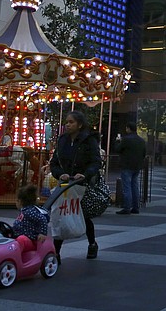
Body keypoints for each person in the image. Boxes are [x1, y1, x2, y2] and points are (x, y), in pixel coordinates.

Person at [49, 110, 102, 262]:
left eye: (71, 122)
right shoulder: (62, 140)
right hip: (65, 183)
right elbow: (54, 162)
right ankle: (56, 252)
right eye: (66, 122)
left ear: (79, 124)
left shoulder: (88, 140)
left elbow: (96, 161)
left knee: (83, 215)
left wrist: (86, 174)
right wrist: (60, 174)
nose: (67, 125)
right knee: (60, 215)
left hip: (82, 183)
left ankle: (92, 243)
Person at [115, 122, 147, 215]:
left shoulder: (126, 139)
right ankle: (135, 207)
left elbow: (117, 149)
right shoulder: (141, 140)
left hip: (126, 165)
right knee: (134, 186)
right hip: (137, 166)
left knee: (127, 187)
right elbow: (144, 153)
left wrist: (117, 141)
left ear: (128, 128)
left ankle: (127, 207)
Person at [12, 184, 48, 260]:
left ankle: (14, 257)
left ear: (20, 202)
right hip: (19, 235)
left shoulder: (29, 212)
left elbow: (43, 219)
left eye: (17, 201)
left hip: (30, 239)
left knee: (21, 240)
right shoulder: (24, 210)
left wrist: (42, 233)